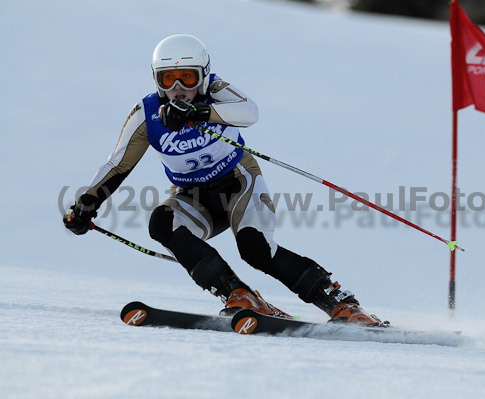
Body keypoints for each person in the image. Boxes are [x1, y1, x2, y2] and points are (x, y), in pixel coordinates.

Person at [63, 34, 383, 326]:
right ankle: (240, 294)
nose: (178, 87)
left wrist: (199, 112)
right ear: (156, 80)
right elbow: (118, 165)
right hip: (193, 197)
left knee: (255, 249)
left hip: (238, 183)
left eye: (187, 77)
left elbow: (249, 112)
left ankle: (341, 304)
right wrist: (85, 206)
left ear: (203, 75)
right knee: (162, 222)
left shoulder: (216, 91)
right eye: (167, 79)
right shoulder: (146, 115)